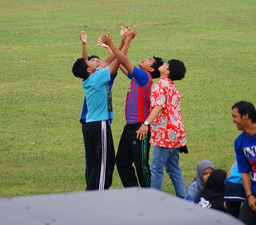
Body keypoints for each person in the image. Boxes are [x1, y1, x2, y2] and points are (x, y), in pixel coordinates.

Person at [72, 27, 135, 191]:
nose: (95, 61)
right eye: (90, 61)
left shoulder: (88, 79)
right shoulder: (98, 78)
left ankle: (91, 191)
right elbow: (119, 61)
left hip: (90, 125)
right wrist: (127, 41)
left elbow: (110, 59)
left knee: (94, 162)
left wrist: (120, 43)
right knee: (105, 162)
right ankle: (100, 194)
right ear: (89, 69)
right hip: (99, 124)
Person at [98, 31, 163, 188]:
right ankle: (134, 192)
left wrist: (121, 42)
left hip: (140, 128)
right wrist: (113, 48)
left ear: (151, 69)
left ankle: (150, 194)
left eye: (149, 60)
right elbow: (120, 62)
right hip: (129, 128)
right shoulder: (136, 77)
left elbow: (124, 60)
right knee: (121, 163)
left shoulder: (143, 77)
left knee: (142, 166)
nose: (145, 59)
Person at [136, 59, 187, 198]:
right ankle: (185, 198)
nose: (162, 64)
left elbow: (158, 106)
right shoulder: (172, 88)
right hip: (176, 133)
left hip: (165, 134)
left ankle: (154, 201)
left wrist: (146, 124)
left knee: (156, 168)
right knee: (173, 168)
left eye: (165, 65)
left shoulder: (160, 86)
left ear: (167, 71)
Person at [232, 100, 256, 225]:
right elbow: (244, 171)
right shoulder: (239, 142)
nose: (233, 121)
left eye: (235, 117)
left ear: (246, 116)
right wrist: (249, 195)